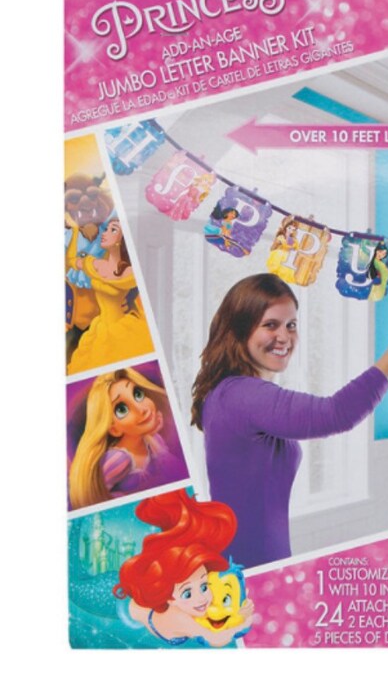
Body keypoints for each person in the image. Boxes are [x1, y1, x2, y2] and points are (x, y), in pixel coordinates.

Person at [191, 273, 388, 568]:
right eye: (270, 325)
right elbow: (337, 413)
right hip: (247, 568)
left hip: (252, 563)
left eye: (291, 325)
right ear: (240, 329)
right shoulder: (241, 395)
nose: (284, 337)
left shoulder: (231, 393)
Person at [114, 489, 254, 647]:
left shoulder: (183, 604)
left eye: (204, 586)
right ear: (169, 598)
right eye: (187, 593)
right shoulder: (179, 618)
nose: (202, 598)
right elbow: (216, 639)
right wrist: (245, 620)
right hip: (118, 606)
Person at [68, 367, 183, 510]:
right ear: (114, 429)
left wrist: (153, 437)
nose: (141, 409)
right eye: (122, 409)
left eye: (138, 394)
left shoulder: (154, 441)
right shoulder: (118, 459)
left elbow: (175, 471)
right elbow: (94, 500)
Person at [66, 218, 154, 374]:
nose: (105, 233)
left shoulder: (131, 272)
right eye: (106, 229)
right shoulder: (97, 265)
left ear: (123, 239)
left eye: (113, 230)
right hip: (99, 331)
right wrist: (74, 230)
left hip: (123, 331)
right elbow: (72, 260)